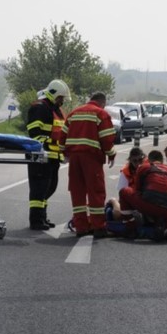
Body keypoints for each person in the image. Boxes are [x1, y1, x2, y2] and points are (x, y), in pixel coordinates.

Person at [62, 91, 117, 238]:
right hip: (91, 158)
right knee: (96, 192)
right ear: (102, 103)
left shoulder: (74, 113)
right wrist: (111, 154)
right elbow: (107, 139)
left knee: (77, 191)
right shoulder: (101, 114)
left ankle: (81, 227)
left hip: (74, 159)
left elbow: (62, 135)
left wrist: (65, 153)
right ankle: (98, 227)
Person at [26, 79, 69, 230]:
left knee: (49, 187)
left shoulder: (54, 109)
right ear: (53, 95)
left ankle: (42, 217)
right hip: (40, 156)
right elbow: (34, 135)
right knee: (39, 188)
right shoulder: (39, 108)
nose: (62, 101)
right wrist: (52, 143)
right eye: (60, 98)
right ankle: (36, 220)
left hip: (52, 156)